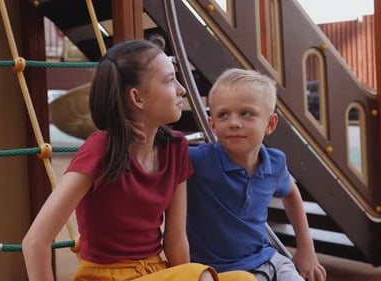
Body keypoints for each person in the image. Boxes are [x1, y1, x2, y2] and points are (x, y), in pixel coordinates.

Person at [22, 39, 255, 281]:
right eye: (168, 80)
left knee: (244, 280)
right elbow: (35, 241)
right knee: (201, 276)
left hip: (157, 272)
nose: (181, 89)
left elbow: (175, 242)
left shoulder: (175, 148)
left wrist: (186, 275)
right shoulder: (102, 148)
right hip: (104, 276)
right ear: (137, 98)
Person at [186, 68, 327, 281]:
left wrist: (306, 248)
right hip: (220, 271)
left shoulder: (275, 163)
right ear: (212, 125)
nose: (233, 122)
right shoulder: (198, 160)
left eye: (246, 113)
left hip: (266, 258)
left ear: (270, 124)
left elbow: (290, 193)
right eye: (223, 115)